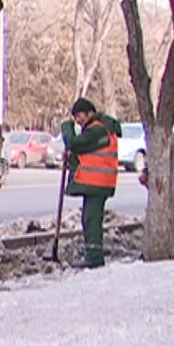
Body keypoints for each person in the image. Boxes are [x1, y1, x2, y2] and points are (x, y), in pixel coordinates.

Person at [61, 97, 122, 269]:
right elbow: (86, 154)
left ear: (90, 113)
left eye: (79, 116)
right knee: (89, 218)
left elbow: (75, 143)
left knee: (92, 218)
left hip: (98, 183)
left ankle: (94, 257)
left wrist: (67, 128)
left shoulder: (97, 130)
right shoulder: (98, 129)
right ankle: (92, 253)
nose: (78, 121)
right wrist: (72, 158)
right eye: (75, 118)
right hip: (96, 183)